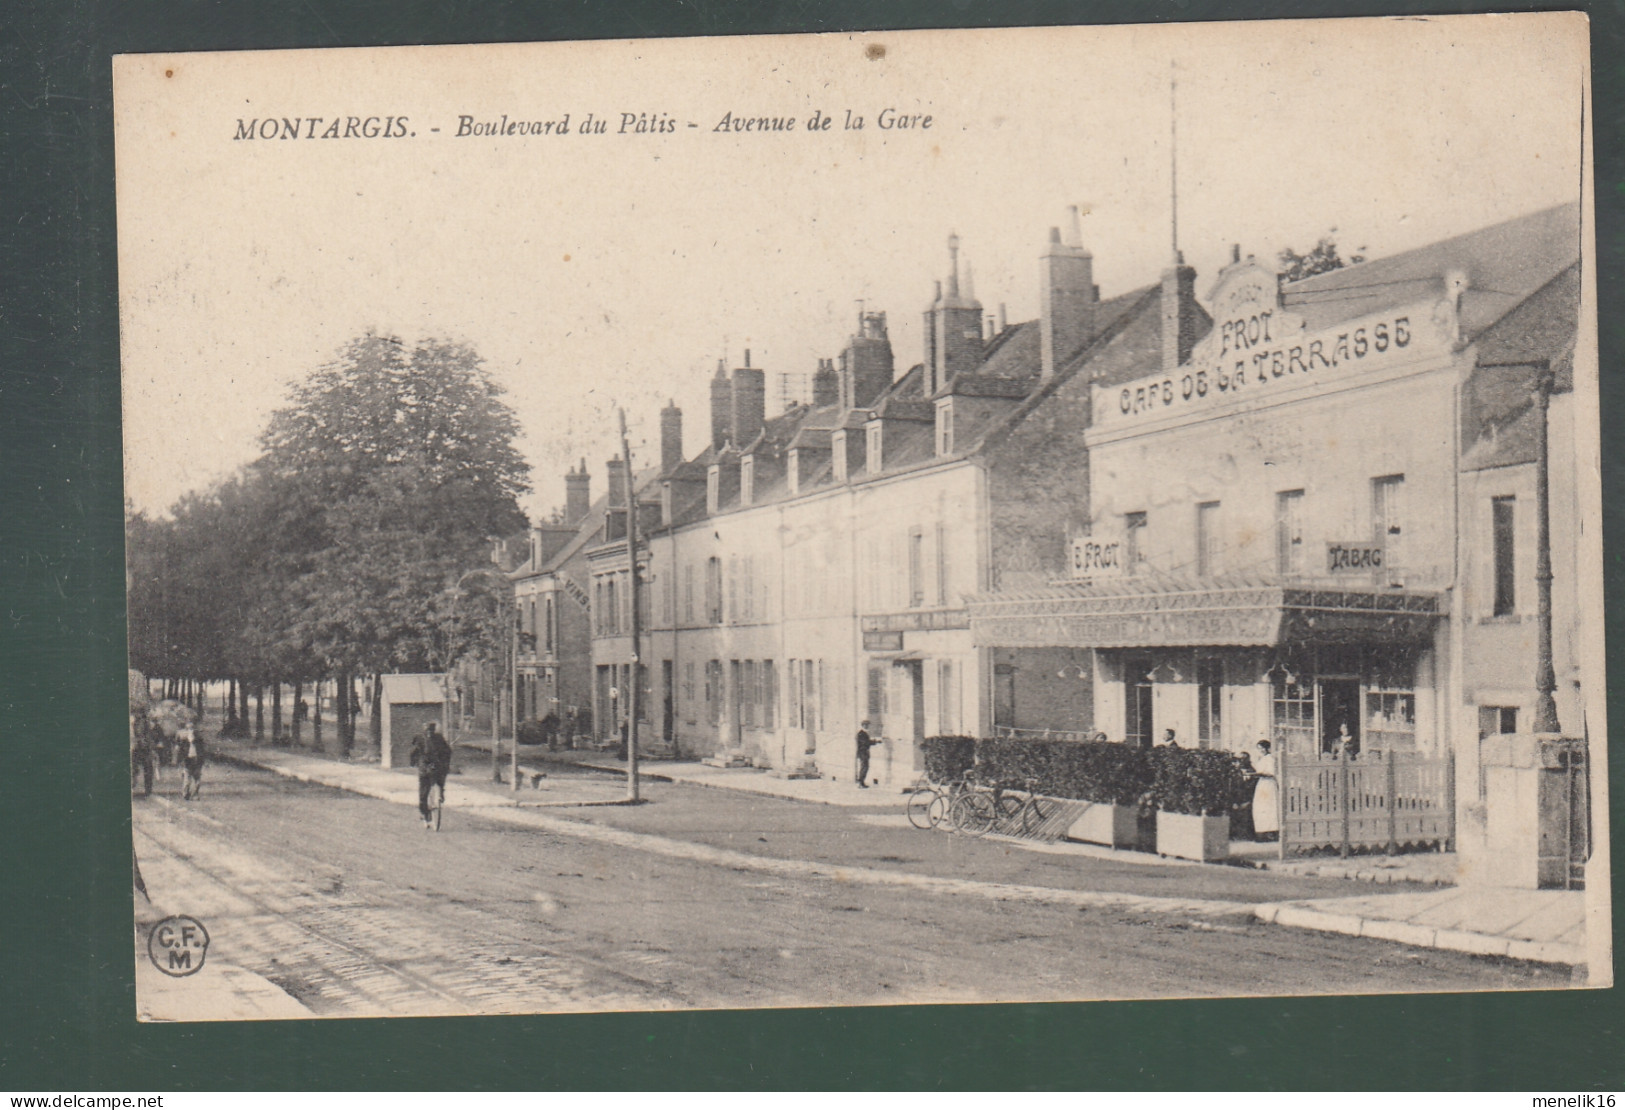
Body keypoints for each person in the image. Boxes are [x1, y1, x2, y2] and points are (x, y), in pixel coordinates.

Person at [409, 721, 453, 829]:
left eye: (431, 731)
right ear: (424, 731)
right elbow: (413, 752)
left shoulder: (439, 739)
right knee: (423, 794)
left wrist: (446, 762)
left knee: (440, 779)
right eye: (427, 731)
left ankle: (440, 793)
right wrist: (414, 762)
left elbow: (447, 751)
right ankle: (425, 813)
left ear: (434, 731)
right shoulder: (420, 739)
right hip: (425, 768)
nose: (429, 733)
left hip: (435, 767)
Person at [1251, 739, 1279, 841]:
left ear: (1267, 748)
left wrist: (1259, 774)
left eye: (1262, 748)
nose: (1261, 750)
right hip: (1262, 784)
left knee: (1269, 807)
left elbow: (1271, 773)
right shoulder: (1262, 759)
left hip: (1268, 784)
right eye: (1259, 748)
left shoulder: (1270, 758)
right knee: (1260, 807)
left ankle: (1271, 832)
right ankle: (1262, 832)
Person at [179, 726, 207, 800]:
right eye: (189, 731)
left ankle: (195, 794)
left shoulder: (199, 742)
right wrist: (182, 762)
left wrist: (202, 762)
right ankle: (186, 794)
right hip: (188, 762)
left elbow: (202, 752)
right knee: (187, 780)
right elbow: (181, 753)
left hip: (197, 761)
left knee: (197, 780)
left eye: (192, 732)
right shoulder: (184, 742)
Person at [130, 713, 155, 797]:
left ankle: (147, 789)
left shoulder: (142, 723)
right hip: (137, 748)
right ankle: (144, 789)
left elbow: (148, 736)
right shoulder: (136, 723)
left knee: (146, 769)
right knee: (138, 769)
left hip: (142, 749)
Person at [854, 720, 878, 788]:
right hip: (863, 753)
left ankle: (861, 782)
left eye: (868, 725)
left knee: (865, 767)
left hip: (864, 752)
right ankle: (861, 782)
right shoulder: (861, 733)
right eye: (866, 725)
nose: (867, 726)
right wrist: (874, 742)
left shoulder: (864, 733)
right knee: (864, 767)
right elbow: (865, 742)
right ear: (863, 725)